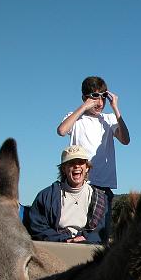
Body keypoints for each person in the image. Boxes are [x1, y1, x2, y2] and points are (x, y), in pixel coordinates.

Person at [56, 76, 130, 224]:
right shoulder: (75, 117)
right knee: (76, 228)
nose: (100, 103)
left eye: (103, 97)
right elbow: (62, 130)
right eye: (95, 97)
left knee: (100, 235)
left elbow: (125, 140)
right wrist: (84, 107)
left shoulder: (109, 119)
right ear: (85, 97)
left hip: (103, 186)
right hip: (79, 185)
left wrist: (115, 108)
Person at [27, 145, 109, 244]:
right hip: (56, 247)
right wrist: (65, 240)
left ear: (87, 167)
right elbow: (37, 227)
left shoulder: (101, 199)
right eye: (71, 163)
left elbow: (101, 231)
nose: (77, 166)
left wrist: (85, 239)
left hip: (89, 249)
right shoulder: (46, 196)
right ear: (64, 169)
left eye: (81, 162)